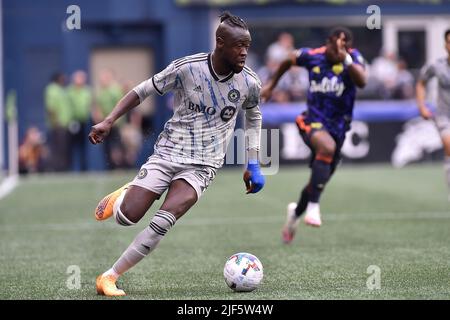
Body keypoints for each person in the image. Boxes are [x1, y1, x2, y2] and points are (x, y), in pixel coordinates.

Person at [89, 11, 265, 296]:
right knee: (126, 217)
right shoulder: (188, 68)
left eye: (247, 45)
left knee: (163, 221)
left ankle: (109, 277)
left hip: (203, 166)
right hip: (168, 153)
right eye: (238, 46)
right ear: (220, 42)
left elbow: (254, 117)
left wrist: (253, 162)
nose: (244, 52)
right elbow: (142, 90)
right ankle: (124, 195)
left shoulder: (249, 82)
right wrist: (110, 120)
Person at [261, 27, 367, 244]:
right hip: (312, 120)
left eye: (344, 46)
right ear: (327, 42)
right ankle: (314, 207)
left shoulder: (353, 59)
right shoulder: (313, 56)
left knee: (319, 180)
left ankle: (294, 214)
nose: (337, 50)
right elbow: (288, 60)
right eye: (335, 45)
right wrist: (271, 84)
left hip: (339, 126)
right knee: (326, 148)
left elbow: (362, 81)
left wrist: (345, 58)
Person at [416, 29, 450, 200]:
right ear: (445, 44)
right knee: (449, 145)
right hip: (444, 115)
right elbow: (421, 83)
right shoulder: (436, 66)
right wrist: (422, 106)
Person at [44, 73, 72, 172]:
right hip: (58, 124)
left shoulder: (61, 90)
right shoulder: (52, 90)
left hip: (64, 124)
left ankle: (62, 167)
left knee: (63, 147)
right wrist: (55, 121)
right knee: (58, 148)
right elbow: (51, 108)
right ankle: (57, 168)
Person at [67, 70, 93, 171]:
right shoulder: (70, 91)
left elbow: (90, 104)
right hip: (73, 122)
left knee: (84, 145)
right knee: (72, 146)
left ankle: (84, 168)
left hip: (84, 121)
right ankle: (72, 168)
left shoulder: (87, 90)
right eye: (78, 78)